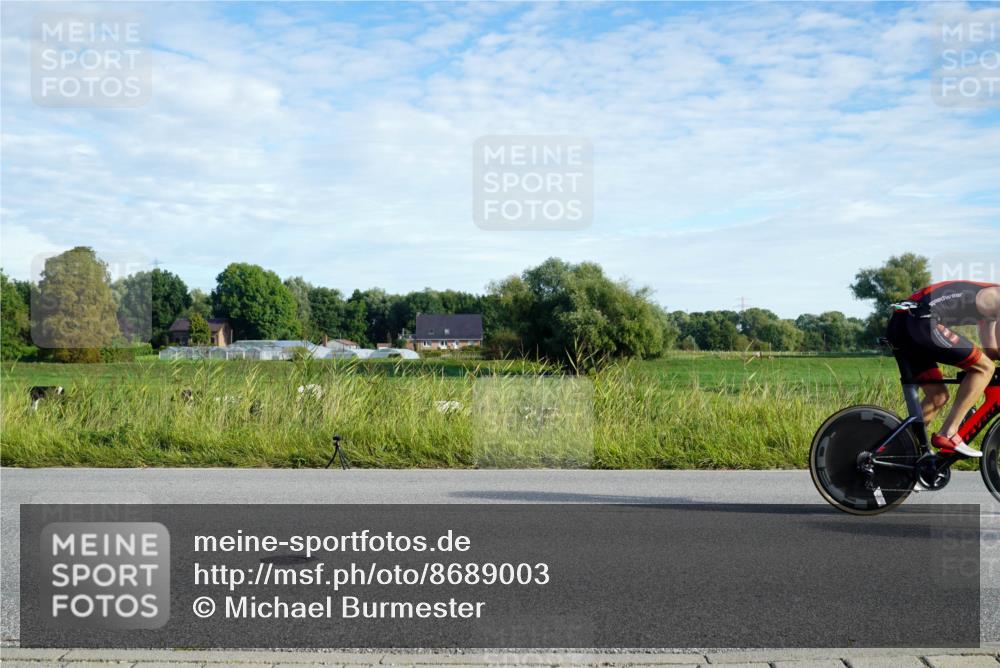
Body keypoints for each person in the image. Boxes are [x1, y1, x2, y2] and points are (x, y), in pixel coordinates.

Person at [886, 280, 1000, 457]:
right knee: (984, 369)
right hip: (921, 320)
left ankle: (899, 454)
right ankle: (949, 433)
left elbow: (992, 351)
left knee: (937, 396)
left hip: (902, 323)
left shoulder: (991, 303)